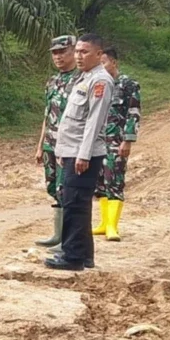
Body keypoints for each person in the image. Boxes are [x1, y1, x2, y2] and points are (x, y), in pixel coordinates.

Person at [46, 34, 114, 272]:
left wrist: (83, 155)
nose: (79, 56)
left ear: (98, 54)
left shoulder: (100, 82)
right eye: (78, 52)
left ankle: (72, 256)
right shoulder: (85, 78)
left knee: (74, 204)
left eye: (85, 52)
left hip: (82, 154)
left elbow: (94, 123)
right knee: (78, 204)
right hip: (72, 151)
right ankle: (84, 255)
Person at [34, 35, 80, 247]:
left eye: (63, 51)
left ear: (74, 51)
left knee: (67, 189)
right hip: (50, 144)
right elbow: (47, 115)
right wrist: (40, 146)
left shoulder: (81, 79)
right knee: (53, 187)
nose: (59, 57)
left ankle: (68, 240)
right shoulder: (52, 81)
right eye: (55, 53)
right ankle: (58, 235)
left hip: (69, 145)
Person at [92, 46, 140, 241]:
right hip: (97, 142)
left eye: (104, 63)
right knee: (99, 183)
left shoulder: (128, 84)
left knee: (115, 181)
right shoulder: (98, 85)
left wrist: (127, 140)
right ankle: (104, 223)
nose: (102, 67)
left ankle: (113, 226)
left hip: (116, 141)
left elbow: (133, 113)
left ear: (113, 62)